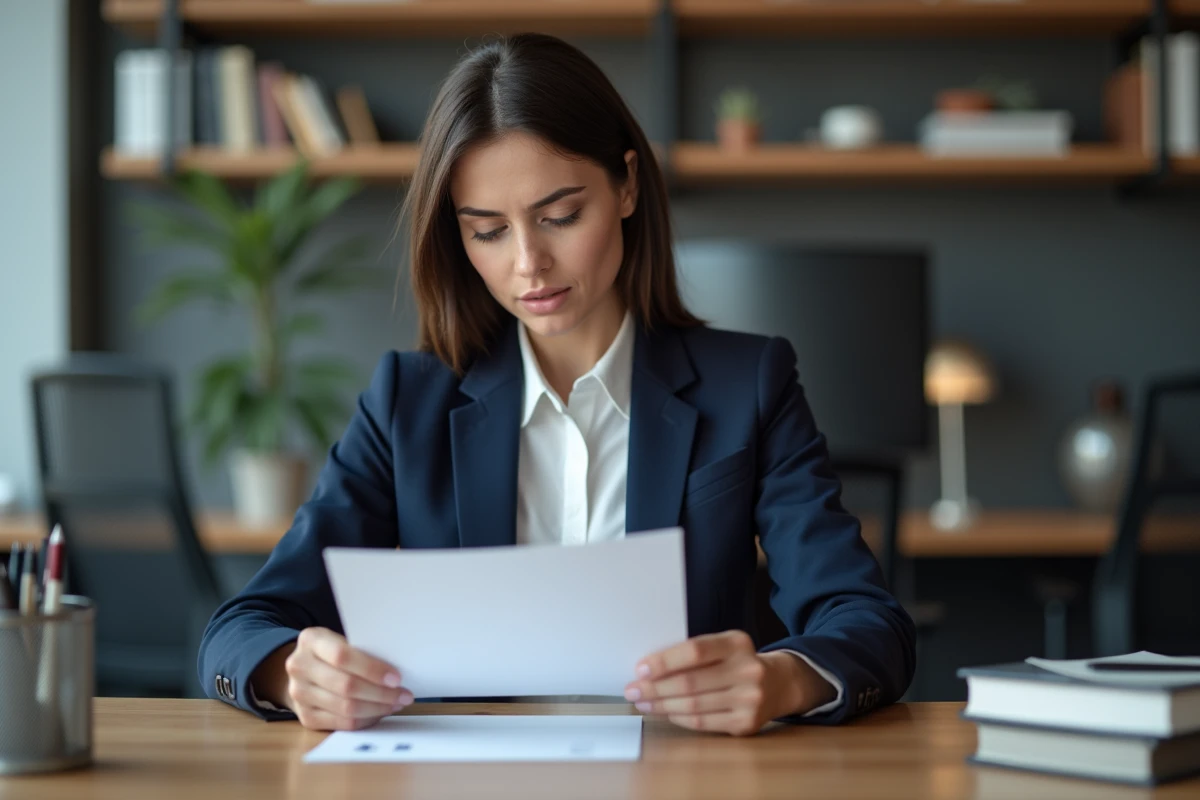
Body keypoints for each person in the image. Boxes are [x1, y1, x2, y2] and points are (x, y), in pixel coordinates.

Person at [198, 33, 915, 737]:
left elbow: (867, 622)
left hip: (679, 779)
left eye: (561, 216)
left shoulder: (748, 384)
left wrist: (781, 679)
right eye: (487, 231)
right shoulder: (406, 403)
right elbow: (241, 629)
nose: (528, 263)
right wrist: (291, 671)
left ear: (628, 185)